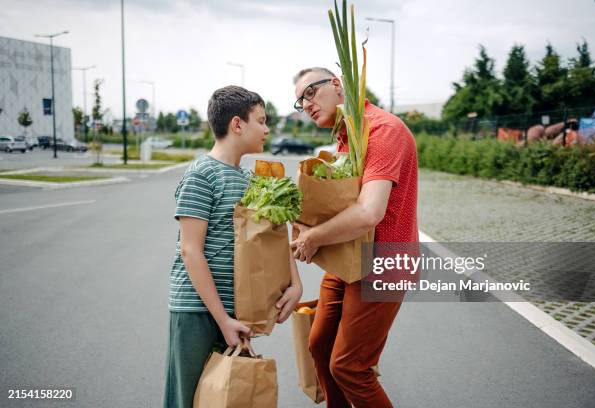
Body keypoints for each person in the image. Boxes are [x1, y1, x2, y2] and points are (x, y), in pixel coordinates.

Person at [164, 85, 303, 408]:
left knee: (224, 397)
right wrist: (222, 320)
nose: (268, 129)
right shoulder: (202, 175)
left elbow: (271, 239)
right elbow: (190, 251)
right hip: (197, 310)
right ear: (237, 124)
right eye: (261, 120)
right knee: (190, 399)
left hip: (234, 308)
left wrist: (295, 283)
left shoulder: (248, 180)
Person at [291, 67, 419, 408]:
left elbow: (368, 212)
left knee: (349, 366)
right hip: (351, 257)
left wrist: (315, 236)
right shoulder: (347, 135)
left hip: (383, 263)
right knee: (318, 344)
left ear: (336, 84)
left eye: (310, 93)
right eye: (300, 102)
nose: (306, 105)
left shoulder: (382, 130)